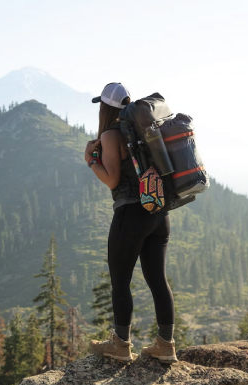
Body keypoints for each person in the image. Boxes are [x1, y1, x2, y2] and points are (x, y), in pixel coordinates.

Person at [85, 83, 177, 363]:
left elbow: (112, 179)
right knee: (157, 280)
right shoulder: (144, 130)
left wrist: (90, 160)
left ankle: (121, 344)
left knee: (120, 281)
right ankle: (165, 345)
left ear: (105, 107)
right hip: (159, 212)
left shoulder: (112, 135)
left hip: (131, 214)